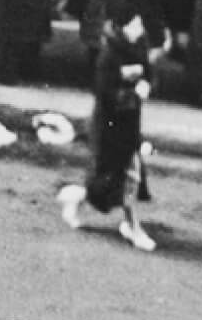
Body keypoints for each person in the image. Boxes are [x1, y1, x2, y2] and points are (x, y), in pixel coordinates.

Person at [58, 15, 157, 251]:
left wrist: (147, 85)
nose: (139, 30)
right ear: (121, 27)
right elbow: (105, 93)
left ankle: (84, 200)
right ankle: (131, 226)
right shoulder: (109, 55)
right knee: (117, 178)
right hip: (109, 128)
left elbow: (149, 74)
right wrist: (135, 94)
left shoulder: (137, 50)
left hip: (128, 126)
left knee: (126, 178)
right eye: (134, 25)